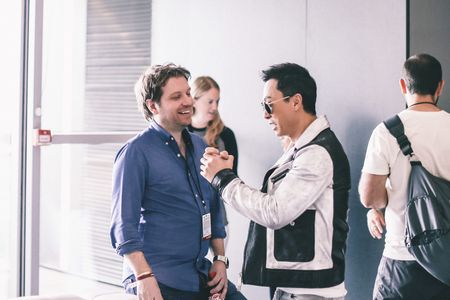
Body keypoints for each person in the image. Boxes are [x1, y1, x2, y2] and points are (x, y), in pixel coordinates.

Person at [200, 63, 350, 300]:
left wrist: (222, 178)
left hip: (309, 293)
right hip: (296, 287)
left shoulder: (316, 154)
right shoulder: (303, 149)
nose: (265, 114)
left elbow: (275, 211)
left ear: (296, 102)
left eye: (269, 105)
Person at [110, 63, 245, 300]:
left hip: (200, 273)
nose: (188, 102)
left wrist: (220, 260)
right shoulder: (135, 152)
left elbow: (213, 207)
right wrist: (143, 277)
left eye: (188, 94)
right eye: (176, 97)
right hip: (159, 278)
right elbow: (123, 227)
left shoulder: (202, 147)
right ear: (153, 105)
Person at [359, 53, 450, 299]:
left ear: (403, 85)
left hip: (401, 260)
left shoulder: (386, 132)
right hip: (446, 264)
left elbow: (370, 197)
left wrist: (378, 207)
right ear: (440, 86)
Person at [189, 76, 239, 236]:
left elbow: (232, 178)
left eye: (217, 101)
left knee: (219, 260)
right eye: (210, 101)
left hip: (217, 216)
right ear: (194, 100)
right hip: (186, 216)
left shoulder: (226, 135)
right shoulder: (179, 133)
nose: (214, 107)